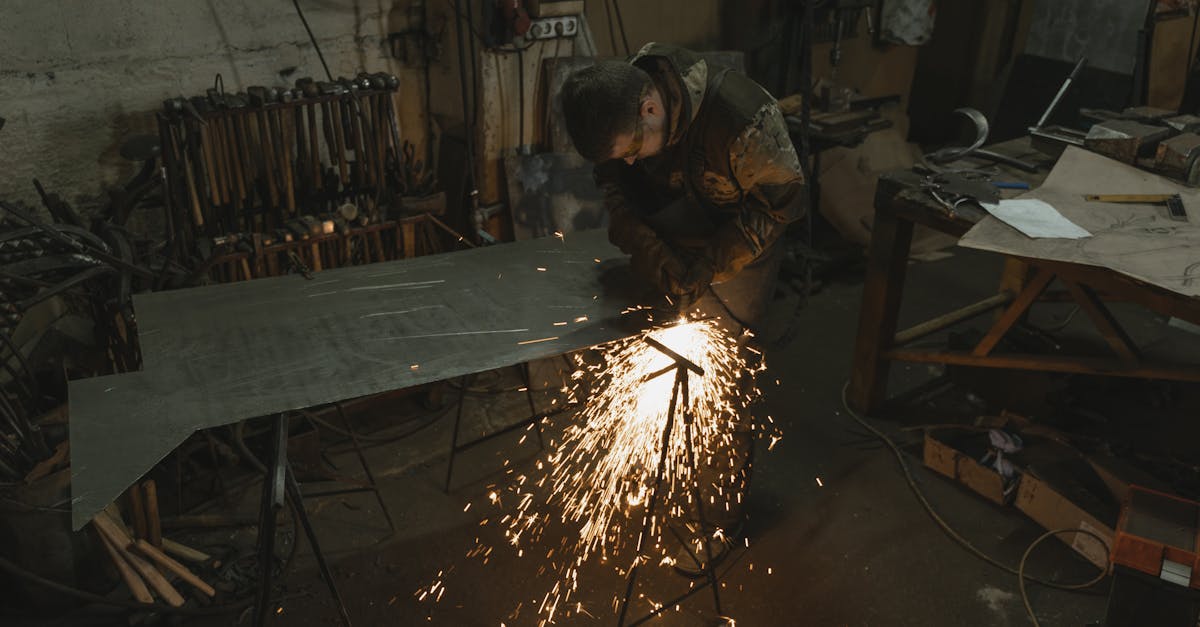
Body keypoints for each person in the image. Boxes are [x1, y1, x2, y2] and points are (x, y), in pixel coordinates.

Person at [560, 43, 806, 576]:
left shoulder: (742, 120)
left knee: (726, 374)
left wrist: (710, 267)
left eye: (631, 150)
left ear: (651, 110)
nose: (627, 161)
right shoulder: (620, 107)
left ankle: (720, 520)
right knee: (649, 350)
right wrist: (653, 253)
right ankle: (660, 473)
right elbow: (617, 188)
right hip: (674, 231)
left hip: (743, 239)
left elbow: (780, 204)